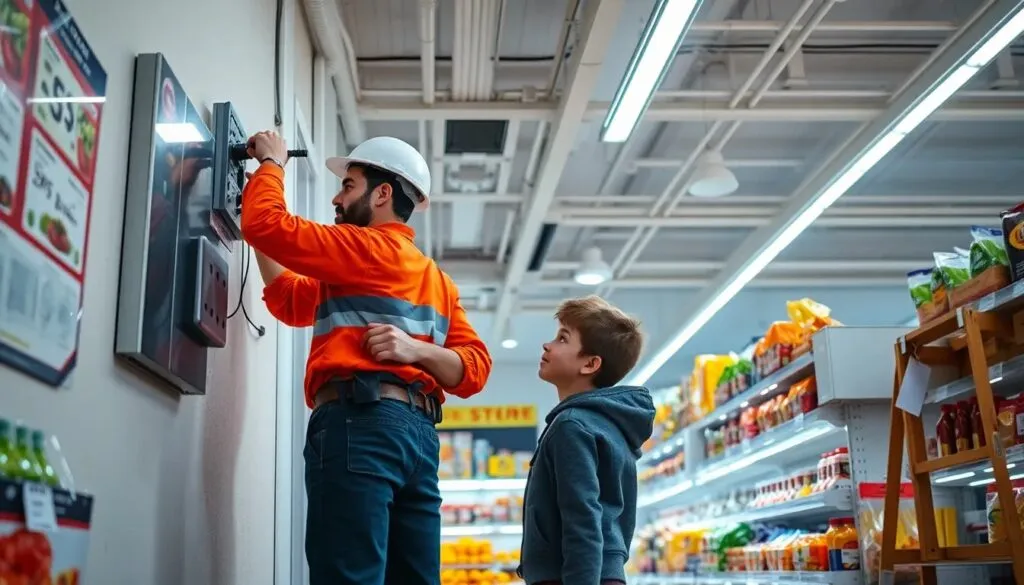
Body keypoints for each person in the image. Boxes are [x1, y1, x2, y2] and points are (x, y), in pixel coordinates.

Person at [239, 131, 493, 585]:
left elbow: (266, 224)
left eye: (348, 185)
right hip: (418, 440)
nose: (337, 198)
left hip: (361, 426)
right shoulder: (435, 279)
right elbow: (291, 301)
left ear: (382, 194)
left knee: (349, 576)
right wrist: (424, 351)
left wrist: (272, 164)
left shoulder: (363, 249)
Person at [518, 295, 655, 585]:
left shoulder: (571, 426)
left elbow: (582, 519)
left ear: (591, 364)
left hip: (571, 575)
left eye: (563, 339)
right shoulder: (610, 426)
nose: (548, 345)